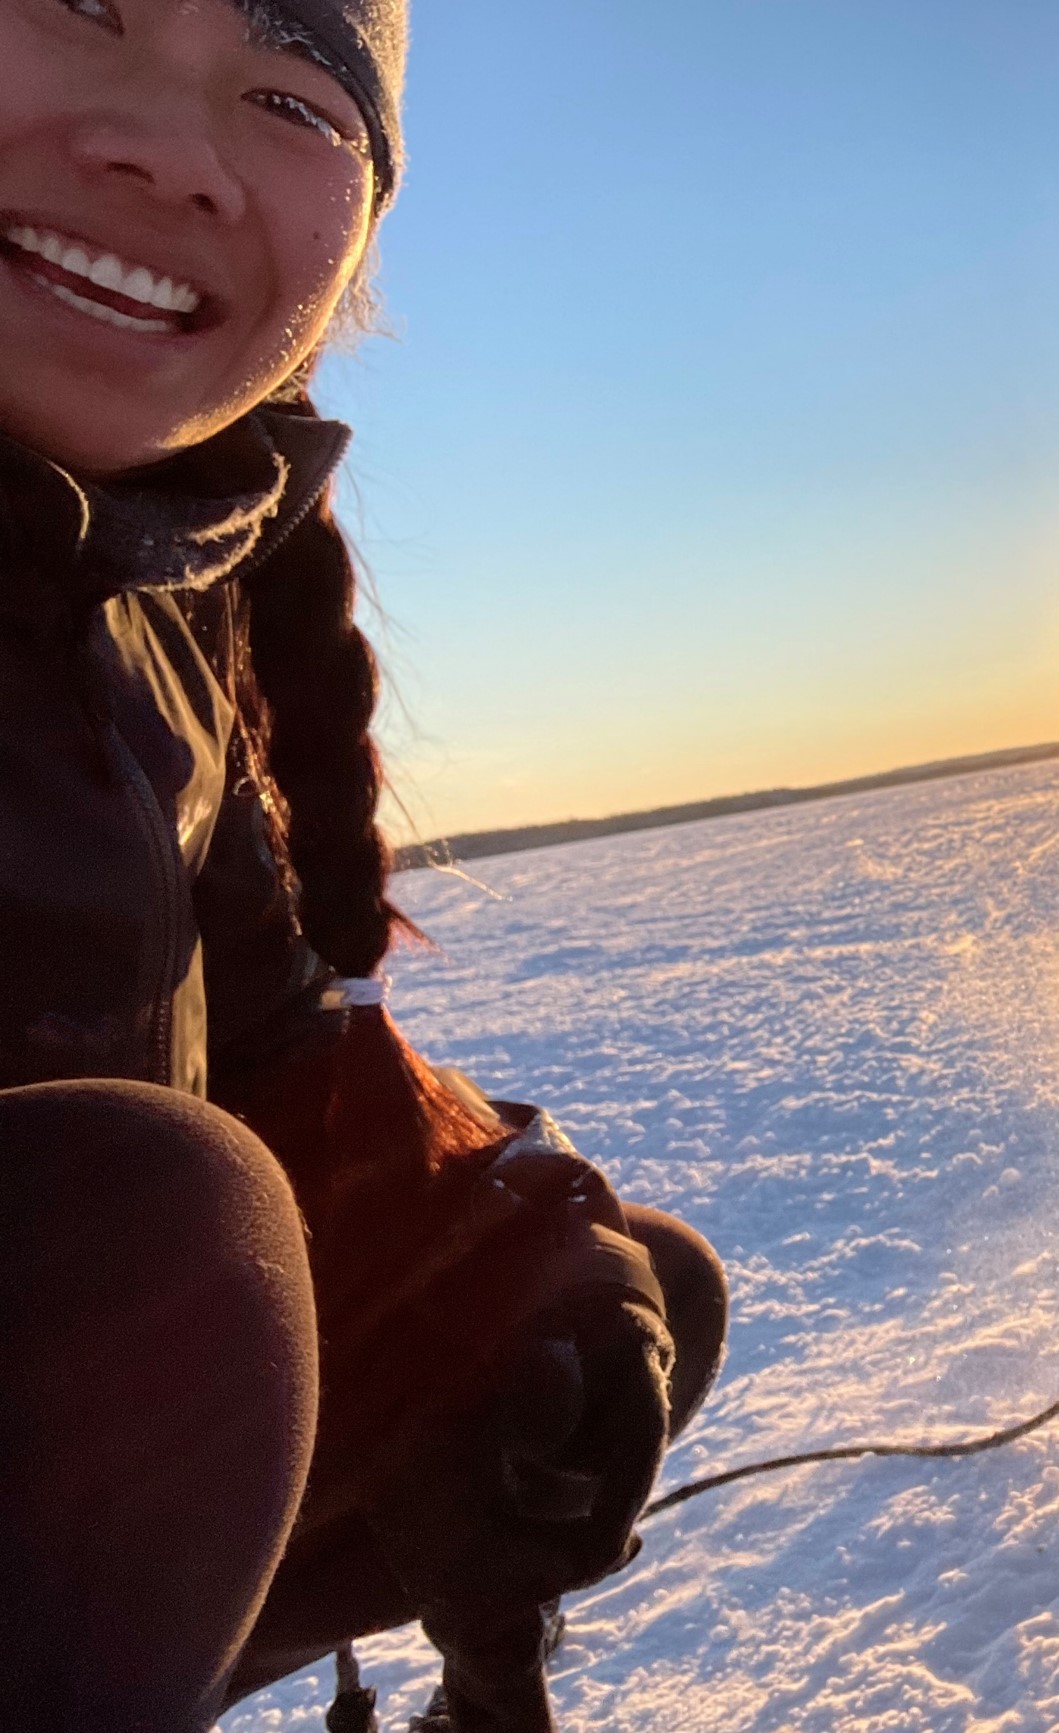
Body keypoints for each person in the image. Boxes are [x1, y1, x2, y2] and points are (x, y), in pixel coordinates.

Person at [0, 1, 729, 1728]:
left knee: (573, 1303)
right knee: (163, 1223)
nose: (168, 149)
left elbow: (282, 1055)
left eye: (288, 99)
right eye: (79, 5)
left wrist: (528, 1258)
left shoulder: (152, 643)